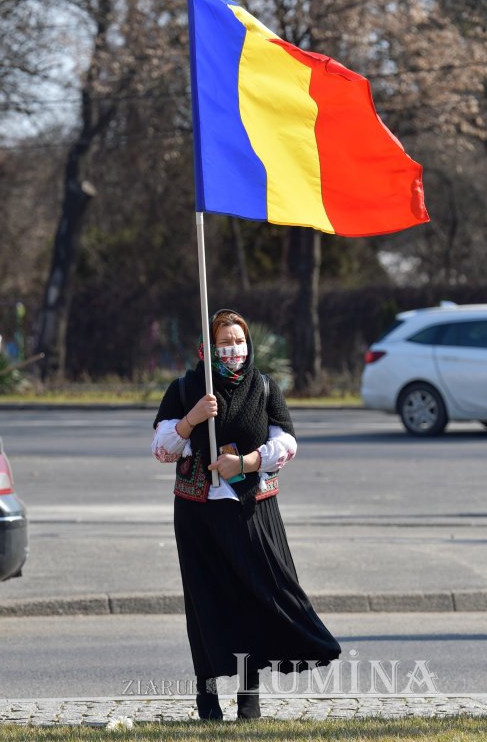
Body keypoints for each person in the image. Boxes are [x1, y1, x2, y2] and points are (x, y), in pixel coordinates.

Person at [152, 309, 341, 720]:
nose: (232, 349)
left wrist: (249, 462)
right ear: (208, 348)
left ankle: (248, 698)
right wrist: (192, 420)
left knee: (255, 598)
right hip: (197, 513)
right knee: (205, 603)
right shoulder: (187, 388)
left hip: (252, 510)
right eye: (224, 342)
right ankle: (207, 700)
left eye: (238, 341)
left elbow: (286, 442)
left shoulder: (264, 387)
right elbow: (163, 449)